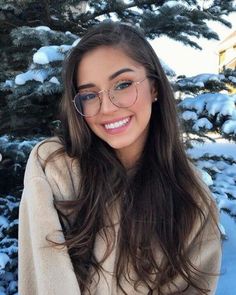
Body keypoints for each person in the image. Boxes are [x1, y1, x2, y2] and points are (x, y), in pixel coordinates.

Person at [18, 21, 221, 295]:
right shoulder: (54, 167)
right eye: (89, 94)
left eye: (123, 84)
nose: (108, 107)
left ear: (155, 87)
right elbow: (45, 281)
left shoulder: (191, 198)